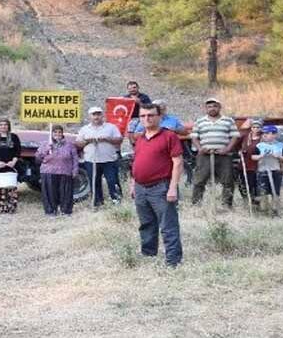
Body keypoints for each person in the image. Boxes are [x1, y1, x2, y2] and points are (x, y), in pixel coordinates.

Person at [130, 103, 184, 267]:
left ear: (159, 117)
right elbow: (136, 162)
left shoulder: (169, 136)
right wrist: (133, 183)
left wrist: (173, 187)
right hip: (140, 188)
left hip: (161, 187)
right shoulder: (140, 138)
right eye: (143, 116)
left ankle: (173, 261)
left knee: (168, 225)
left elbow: (178, 162)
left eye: (151, 115)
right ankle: (148, 254)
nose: (147, 119)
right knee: (146, 223)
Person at [190, 98, 240, 208]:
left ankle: (226, 206)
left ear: (219, 107)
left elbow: (235, 136)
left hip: (223, 155)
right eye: (209, 106)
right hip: (205, 155)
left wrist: (227, 149)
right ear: (206, 109)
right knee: (199, 180)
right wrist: (200, 148)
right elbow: (194, 137)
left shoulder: (228, 120)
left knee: (228, 181)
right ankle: (196, 205)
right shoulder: (200, 121)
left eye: (215, 106)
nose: (212, 108)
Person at [76, 107, 123, 209]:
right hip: (91, 161)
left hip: (109, 160)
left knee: (112, 180)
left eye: (98, 114)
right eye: (94, 114)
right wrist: (87, 141)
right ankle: (97, 203)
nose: (96, 117)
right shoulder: (84, 129)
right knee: (95, 182)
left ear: (102, 115)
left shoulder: (111, 127)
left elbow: (119, 140)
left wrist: (107, 139)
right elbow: (78, 144)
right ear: (90, 116)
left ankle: (116, 201)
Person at [35, 125, 79, 216]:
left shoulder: (69, 145)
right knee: (50, 193)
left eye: (59, 132)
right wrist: (47, 149)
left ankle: (66, 211)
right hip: (48, 171)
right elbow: (38, 158)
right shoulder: (45, 144)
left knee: (66, 193)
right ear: (51, 133)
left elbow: (75, 158)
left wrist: (75, 170)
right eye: (55, 132)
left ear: (62, 133)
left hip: (65, 171)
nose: (57, 134)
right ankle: (51, 211)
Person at [252, 125, 283, 217]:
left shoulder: (281, 146)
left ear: (274, 134)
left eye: (266, 134)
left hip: (276, 171)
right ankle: (264, 211)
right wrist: (261, 156)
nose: (264, 136)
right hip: (263, 171)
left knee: (275, 192)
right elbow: (253, 157)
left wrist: (279, 156)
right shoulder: (259, 146)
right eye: (263, 134)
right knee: (263, 192)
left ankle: (275, 211)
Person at [0, 118, 22, 214]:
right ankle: (3, 207)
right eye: (1, 125)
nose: (3, 126)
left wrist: (14, 161)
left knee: (11, 187)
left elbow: (18, 150)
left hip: (11, 165)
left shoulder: (14, 137)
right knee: (0, 187)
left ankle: (12, 207)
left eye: (5, 125)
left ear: (9, 126)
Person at [239, 119, 263, 203]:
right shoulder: (245, 136)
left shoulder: (262, 138)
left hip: (256, 164)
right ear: (251, 128)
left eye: (258, 127)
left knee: (254, 183)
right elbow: (237, 145)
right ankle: (246, 199)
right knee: (243, 183)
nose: (255, 129)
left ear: (260, 128)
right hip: (245, 163)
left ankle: (256, 200)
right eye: (254, 127)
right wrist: (240, 151)